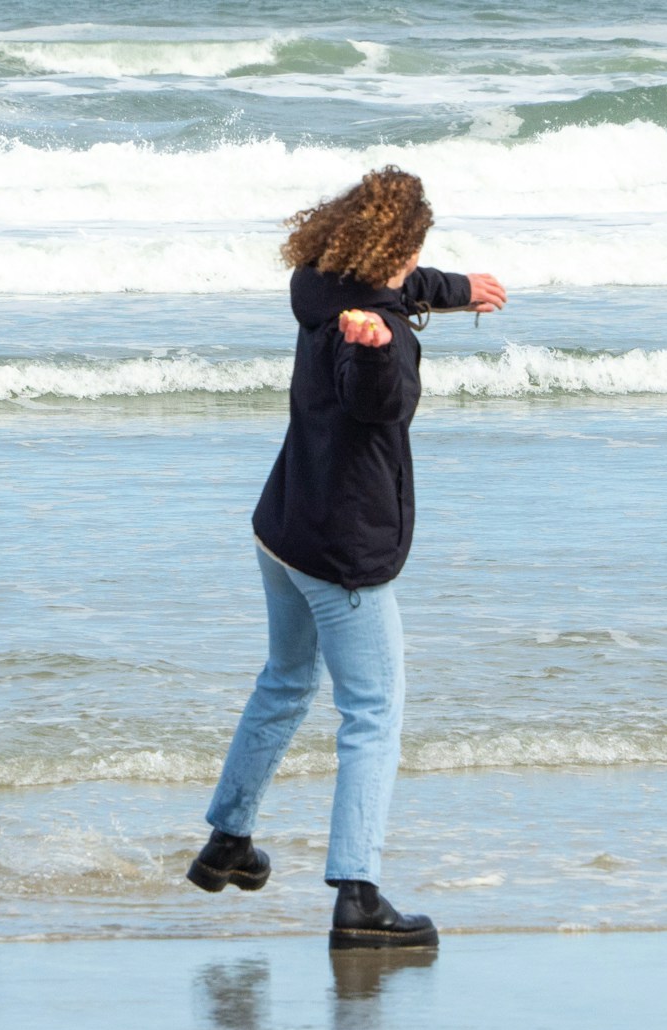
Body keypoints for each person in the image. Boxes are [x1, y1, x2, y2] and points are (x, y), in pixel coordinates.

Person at [187, 166, 507, 950]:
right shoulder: (370, 329)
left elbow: (399, 289)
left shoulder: (321, 280)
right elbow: (379, 401)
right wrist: (372, 352)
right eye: (418, 251)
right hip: (342, 551)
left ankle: (229, 840)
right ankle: (357, 893)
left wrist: (459, 287)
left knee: (287, 680)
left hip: (285, 526)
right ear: (394, 247)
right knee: (374, 711)